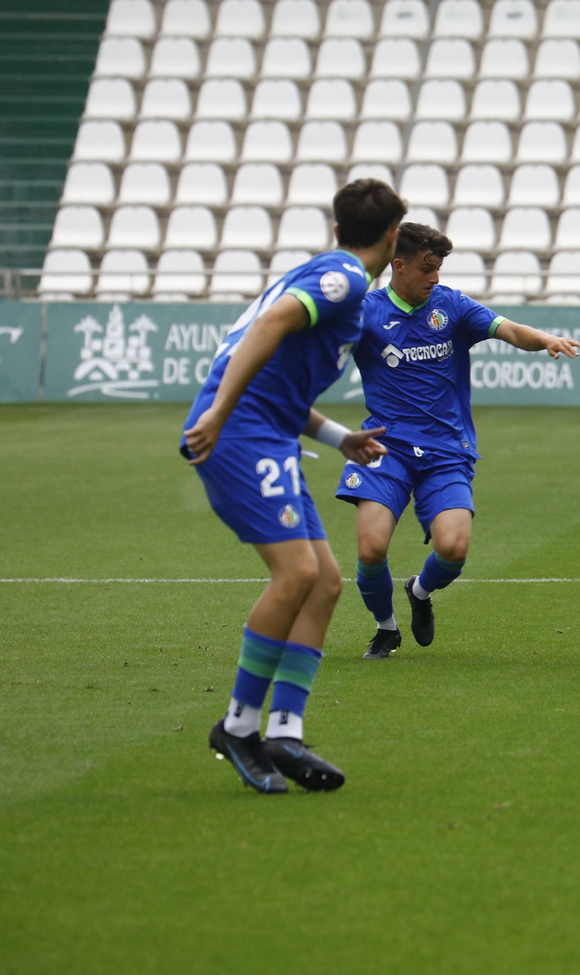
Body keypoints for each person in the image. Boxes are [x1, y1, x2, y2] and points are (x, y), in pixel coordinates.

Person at [183, 178, 406, 794]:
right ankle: (239, 726)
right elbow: (268, 329)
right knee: (297, 576)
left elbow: (278, 380)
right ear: (392, 238)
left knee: (326, 582)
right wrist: (219, 413)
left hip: (267, 431)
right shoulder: (348, 279)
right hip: (241, 434)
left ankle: (283, 730)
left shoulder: (334, 279)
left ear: (337, 230)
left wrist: (340, 439)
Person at [338, 222, 580, 658]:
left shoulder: (450, 305)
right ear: (398, 266)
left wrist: (542, 337)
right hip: (384, 446)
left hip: (446, 449)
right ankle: (386, 628)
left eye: (439, 269)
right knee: (371, 549)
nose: (436, 278)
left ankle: (420, 590)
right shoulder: (367, 312)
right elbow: (319, 340)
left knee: (453, 549)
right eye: (427, 268)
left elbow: (508, 329)